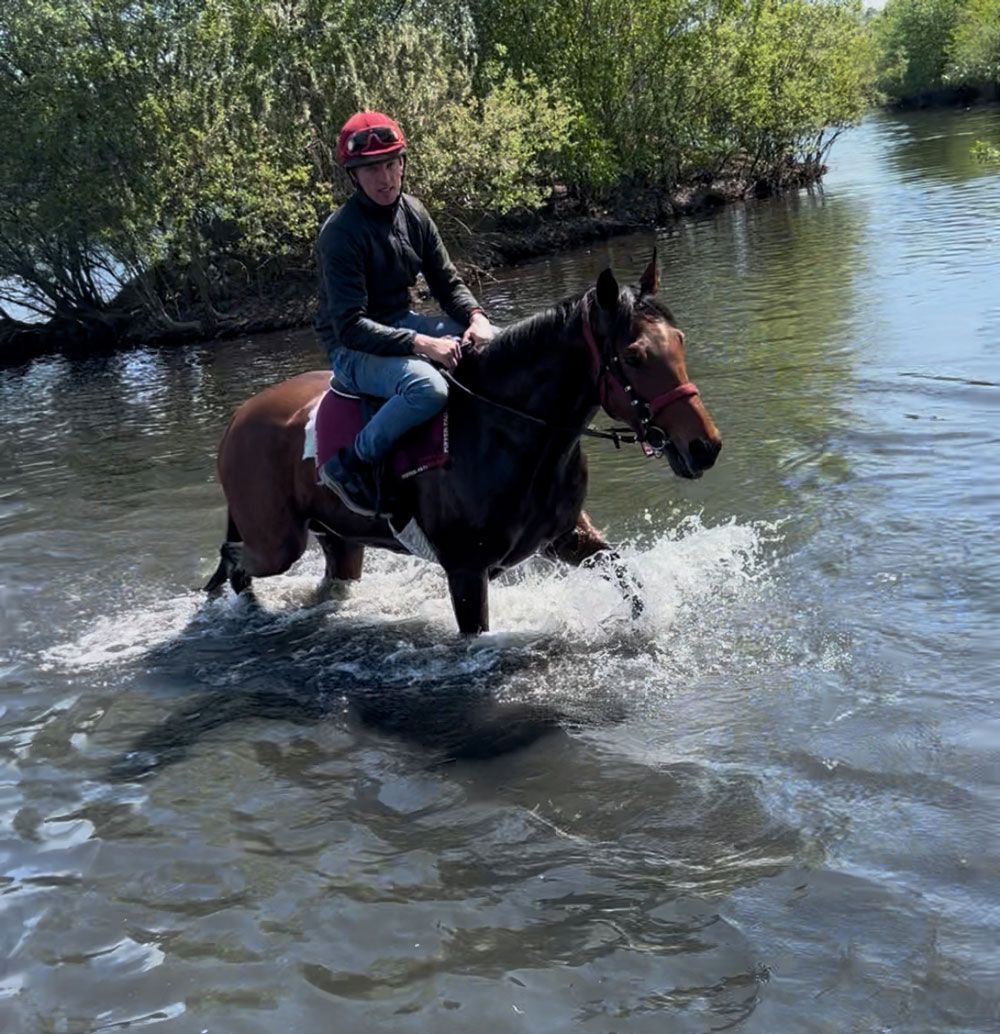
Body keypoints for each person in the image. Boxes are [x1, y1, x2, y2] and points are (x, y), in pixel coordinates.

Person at [315, 110, 495, 516]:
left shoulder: (413, 212)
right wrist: (422, 344)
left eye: (392, 164)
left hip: (400, 322)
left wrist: (476, 318)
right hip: (351, 347)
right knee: (427, 389)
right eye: (372, 168)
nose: (386, 178)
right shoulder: (341, 234)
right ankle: (354, 464)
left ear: (402, 164)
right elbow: (350, 326)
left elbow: (447, 284)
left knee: (499, 346)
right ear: (354, 177)